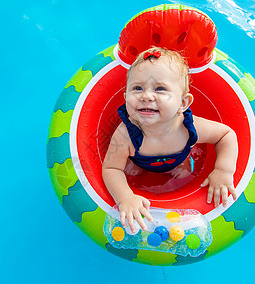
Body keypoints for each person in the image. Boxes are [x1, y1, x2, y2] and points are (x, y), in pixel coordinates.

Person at [102, 47, 238, 233]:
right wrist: (125, 197)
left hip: (177, 163)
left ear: (183, 103)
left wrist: (223, 170)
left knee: (183, 174)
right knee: (129, 171)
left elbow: (226, 135)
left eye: (160, 89)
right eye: (137, 88)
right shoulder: (126, 134)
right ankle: (141, 171)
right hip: (139, 162)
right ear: (126, 98)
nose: (146, 96)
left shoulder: (189, 128)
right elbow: (111, 168)